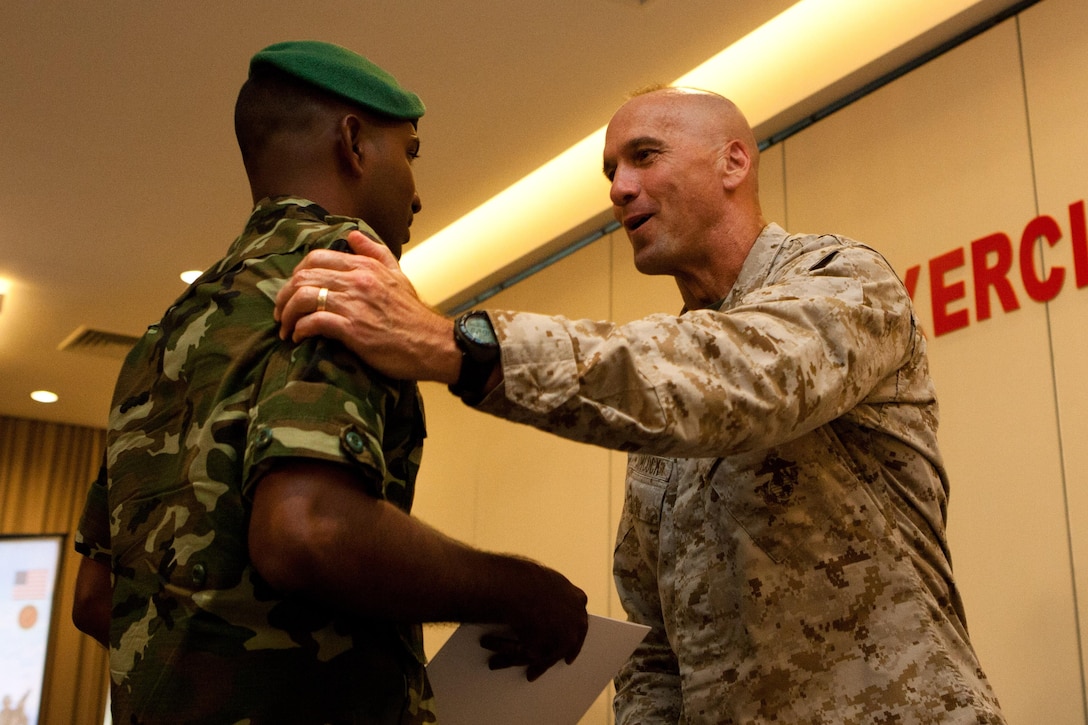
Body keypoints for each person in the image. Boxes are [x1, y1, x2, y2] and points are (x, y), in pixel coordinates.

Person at [273, 86, 1007, 723]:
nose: (619, 187)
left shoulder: (843, 279)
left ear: (733, 162)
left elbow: (738, 378)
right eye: (610, 171)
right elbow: (658, 645)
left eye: (645, 156)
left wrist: (456, 345)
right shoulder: (661, 398)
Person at [70, 40, 588, 725]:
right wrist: (520, 589)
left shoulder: (164, 336)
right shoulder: (345, 282)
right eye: (411, 152)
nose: (418, 189)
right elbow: (306, 528)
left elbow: (98, 596)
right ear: (354, 143)